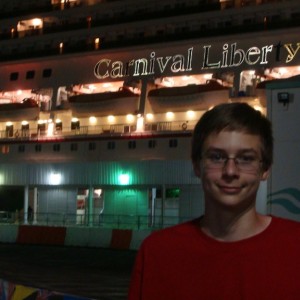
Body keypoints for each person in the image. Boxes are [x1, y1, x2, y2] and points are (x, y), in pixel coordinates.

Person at [128, 102, 300, 300]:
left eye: (246, 158)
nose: (230, 171)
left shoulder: (295, 248)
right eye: (217, 157)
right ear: (197, 165)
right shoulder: (157, 253)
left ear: (265, 169)